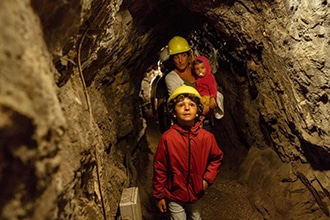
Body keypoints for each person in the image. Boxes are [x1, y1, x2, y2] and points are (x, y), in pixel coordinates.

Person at [152, 85, 224, 220]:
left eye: (191, 104)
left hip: (197, 192)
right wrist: (159, 195)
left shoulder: (206, 138)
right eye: (181, 105)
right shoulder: (168, 138)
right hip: (174, 193)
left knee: (196, 218)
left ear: (197, 111)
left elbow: (216, 158)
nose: (186, 108)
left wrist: (206, 180)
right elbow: (160, 167)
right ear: (173, 112)